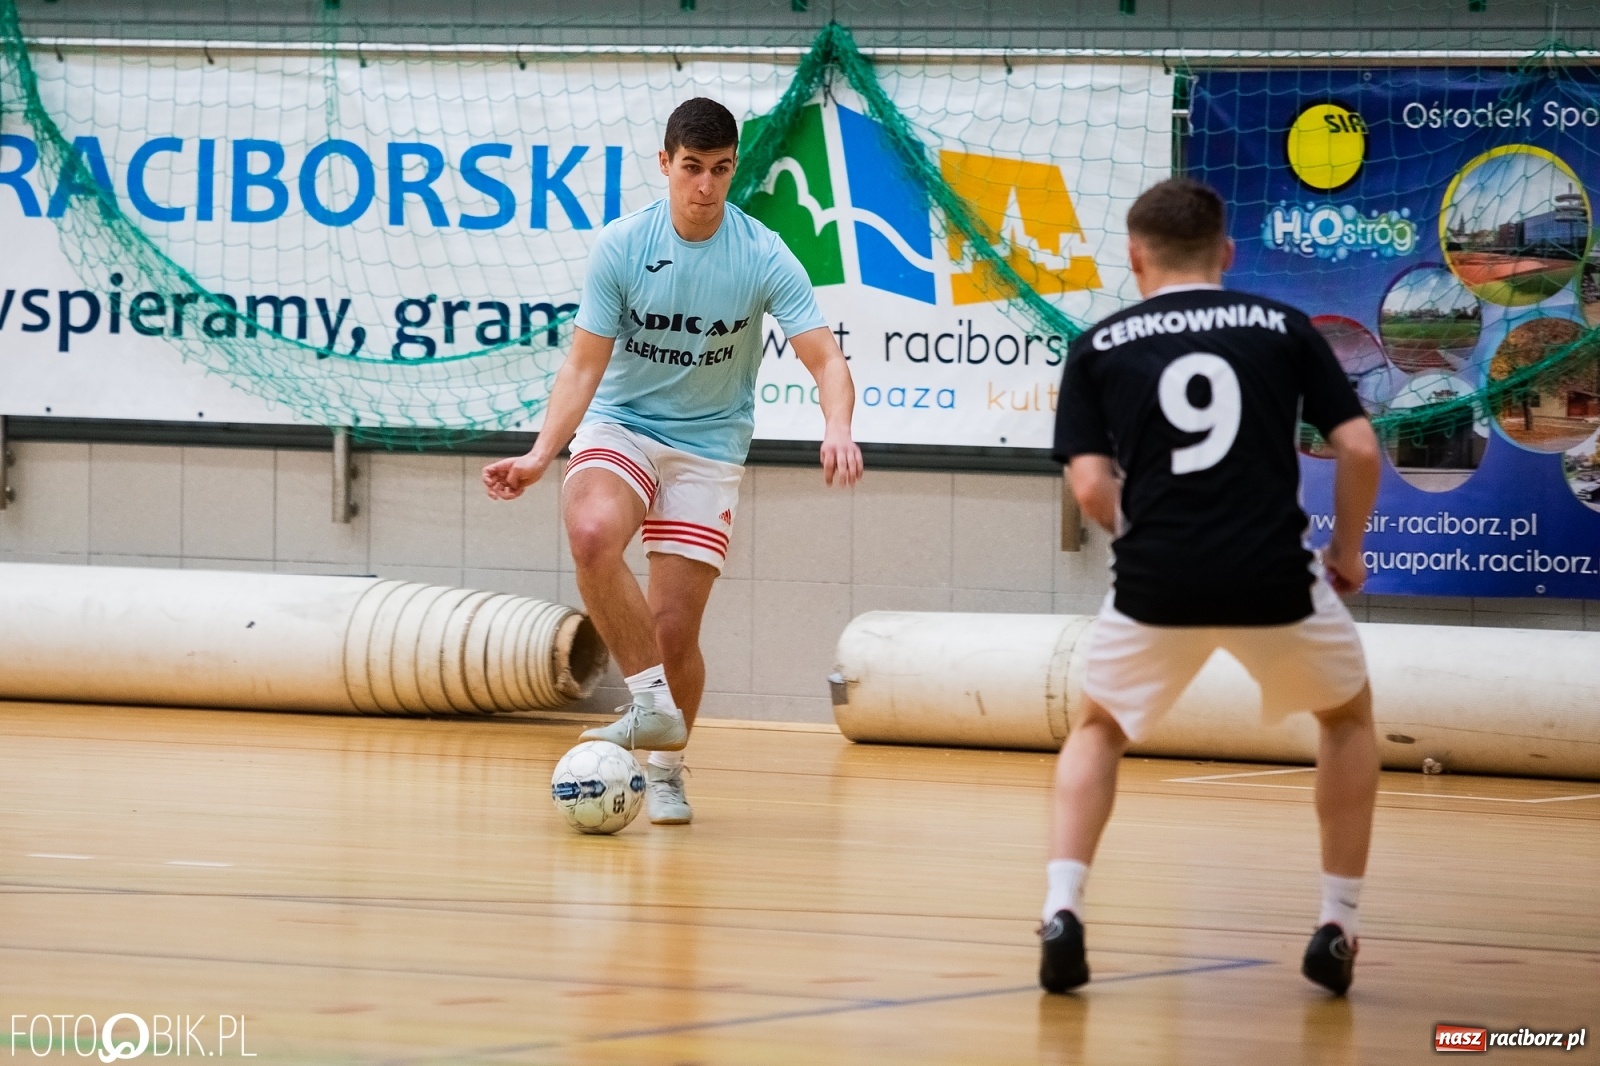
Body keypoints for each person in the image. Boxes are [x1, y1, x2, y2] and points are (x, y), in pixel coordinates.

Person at [1042, 178, 1382, 996]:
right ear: (1225, 252)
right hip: (1275, 576)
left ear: (1135, 257)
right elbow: (1361, 449)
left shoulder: (1098, 346)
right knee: (1346, 718)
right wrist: (1347, 549)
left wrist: (1154, 541)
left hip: (1155, 581)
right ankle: (1337, 924)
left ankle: (1062, 911)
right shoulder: (1285, 327)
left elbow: (1089, 487)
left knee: (1098, 727)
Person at [483, 98, 863, 825]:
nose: (705, 186)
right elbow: (583, 366)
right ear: (665, 163)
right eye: (692, 168)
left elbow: (826, 359)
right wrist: (539, 454)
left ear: (734, 168)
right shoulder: (624, 246)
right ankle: (652, 704)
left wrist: (837, 427)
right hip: (622, 425)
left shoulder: (762, 253)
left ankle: (665, 769)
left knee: (673, 630)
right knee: (591, 532)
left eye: (721, 169)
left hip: (708, 445)